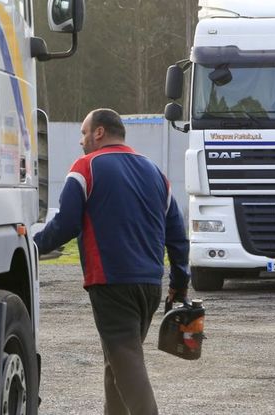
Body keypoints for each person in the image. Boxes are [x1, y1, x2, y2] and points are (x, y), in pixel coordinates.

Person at [34, 108, 190, 415]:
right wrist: (179, 285)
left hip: (111, 283)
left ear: (99, 132)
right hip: (149, 286)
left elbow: (65, 224)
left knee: (127, 364)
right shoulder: (156, 173)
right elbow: (178, 237)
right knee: (117, 364)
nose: (81, 141)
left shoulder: (86, 167)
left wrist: (31, 247)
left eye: (83, 133)